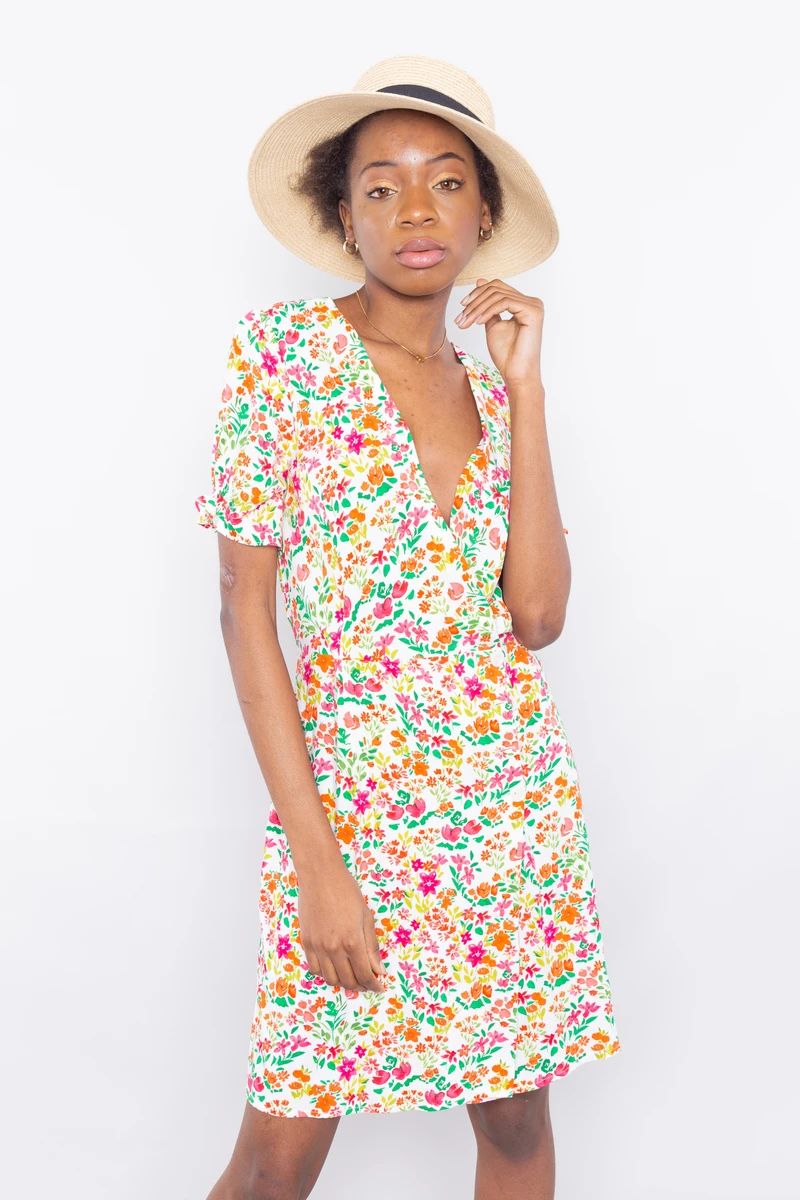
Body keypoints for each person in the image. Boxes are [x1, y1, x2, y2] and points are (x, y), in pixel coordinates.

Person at [194, 55, 622, 1200]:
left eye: (444, 181)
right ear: (344, 218)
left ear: (482, 213)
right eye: (379, 186)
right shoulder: (283, 358)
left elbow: (536, 617)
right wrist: (316, 866)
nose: (414, 209)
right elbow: (243, 613)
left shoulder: (492, 386)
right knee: (275, 1161)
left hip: (505, 817)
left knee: (516, 1125)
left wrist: (525, 392)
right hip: (349, 819)